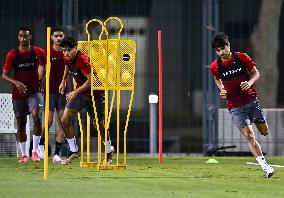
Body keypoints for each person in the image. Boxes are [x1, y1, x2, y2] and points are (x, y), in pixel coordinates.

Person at [210, 32, 275, 178]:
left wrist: (249, 83)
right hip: (235, 106)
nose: (221, 52)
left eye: (223, 48)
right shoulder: (215, 66)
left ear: (228, 45)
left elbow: (256, 73)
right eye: (218, 50)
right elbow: (216, 79)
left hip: (251, 101)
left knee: (264, 131)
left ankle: (261, 123)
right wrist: (222, 90)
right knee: (248, 135)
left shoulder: (242, 57)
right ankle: (266, 167)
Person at [58, 36, 114, 165]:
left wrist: (74, 92)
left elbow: (91, 81)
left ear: (75, 48)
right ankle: (74, 150)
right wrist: (63, 82)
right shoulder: (66, 57)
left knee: (99, 125)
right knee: (65, 119)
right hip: (81, 93)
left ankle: (109, 150)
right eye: (63, 50)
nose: (65, 53)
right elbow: (67, 66)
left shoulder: (82, 60)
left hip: (95, 94)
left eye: (68, 50)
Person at [2, 26, 46, 163]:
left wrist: (43, 80)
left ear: (30, 37)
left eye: (26, 36)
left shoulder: (38, 52)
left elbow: (46, 65)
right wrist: (15, 82)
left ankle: (35, 151)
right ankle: (24, 155)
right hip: (19, 94)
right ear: (18, 37)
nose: (23, 38)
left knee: (36, 116)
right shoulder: (12, 54)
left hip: (35, 92)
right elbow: (4, 75)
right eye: (21, 36)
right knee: (21, 123)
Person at [37, 27, 66, 163]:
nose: (59, 38)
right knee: (48, 121)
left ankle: (56, 154)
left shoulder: (67, 52)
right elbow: (41, 69)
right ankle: (41, 147)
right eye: (56, 36)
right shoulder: (46, 52)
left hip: (62, 92)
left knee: (62, 122)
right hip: (49, 91)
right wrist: (39, 81)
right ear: (51, 37)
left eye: (61, 36)